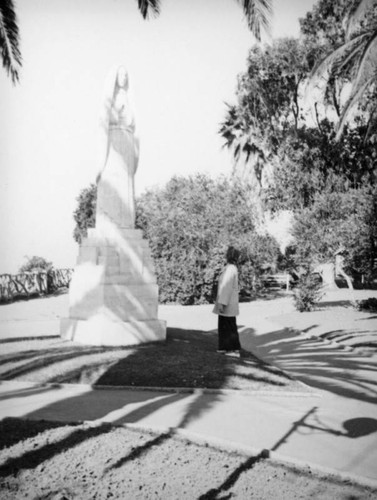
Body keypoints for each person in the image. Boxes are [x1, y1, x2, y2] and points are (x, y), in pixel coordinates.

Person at [96, 65, 140, 231]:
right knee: (112, 178)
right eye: (121, 75)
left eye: (126, 75)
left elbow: (133, 120)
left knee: (125, 184)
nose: (124, 78)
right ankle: (110, 221)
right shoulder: (110, 98)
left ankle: (126, 222)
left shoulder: (128, 98)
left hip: (126, 140)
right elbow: (106, 118)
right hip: (113, 141)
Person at [213, 246, 241, 356]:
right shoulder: (230, 268)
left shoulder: (230, 269)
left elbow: (226, 287)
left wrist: (222, 303)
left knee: (229, 326)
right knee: (225, 325)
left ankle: (233, 350)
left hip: (227, 303)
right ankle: (224, 347)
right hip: (227, 302)